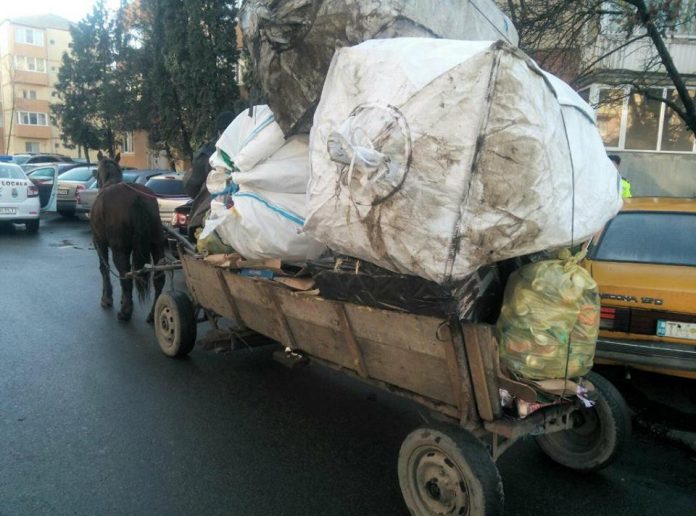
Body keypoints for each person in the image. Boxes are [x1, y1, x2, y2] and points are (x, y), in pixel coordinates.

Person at [183, 111, 236, 239]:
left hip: (211, 210)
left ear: (219, 132)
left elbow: (192, 186)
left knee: (197, 226)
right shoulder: (250, 146)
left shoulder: (207, 153)